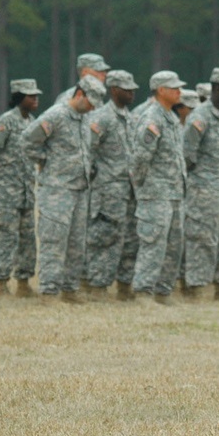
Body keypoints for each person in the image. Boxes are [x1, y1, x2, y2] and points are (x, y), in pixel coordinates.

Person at [22, 75, 105, 303]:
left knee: (77, 242)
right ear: (79, 94)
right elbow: (27, 141)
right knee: (54, 241)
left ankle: (70, 289)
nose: (92, 108)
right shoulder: (55, 115)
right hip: (57, 190)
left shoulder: (85, 119)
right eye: (90, 102)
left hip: (80, 189)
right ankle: (49, 291)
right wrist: (46, 160)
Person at [181, 68, 219, 300]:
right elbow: (187, 154)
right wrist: (203, 179)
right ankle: (195, 287)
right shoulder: (200, 117)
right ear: (216, 88)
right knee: (202, 238)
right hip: (205, 190)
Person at [0, 78, 43, 298]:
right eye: (30, 96)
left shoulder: (32, 122)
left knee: (27, 239)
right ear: (18, 98)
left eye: (36, 95)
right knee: (5, 239)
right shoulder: (6, 121)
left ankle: (23, 283)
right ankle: (1, 283)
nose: (35, 99)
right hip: (6, 194)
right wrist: (0, 171)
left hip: (26, 193)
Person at [130, 70, 187, 304]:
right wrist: (144, 187)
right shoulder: (152, 118)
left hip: (174, 193)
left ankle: (163, 291)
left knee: (173, 245)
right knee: (153, 242)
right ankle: (143, 292)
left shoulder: (171, 118)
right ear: (161, 90)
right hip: (155, 193)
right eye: (174, 88)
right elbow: (140, 159)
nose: (179, 92)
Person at [84, 70, 139, 300]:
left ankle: (125, 287)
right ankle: (98, 287)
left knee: (130, 239)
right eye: (127, 90)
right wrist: (98, 178)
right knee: (104, 239)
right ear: (114, 90)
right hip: (108, 192)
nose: (132, 94)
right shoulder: (101, 117)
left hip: (130, 191)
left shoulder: (131, 118)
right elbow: (88, 151)